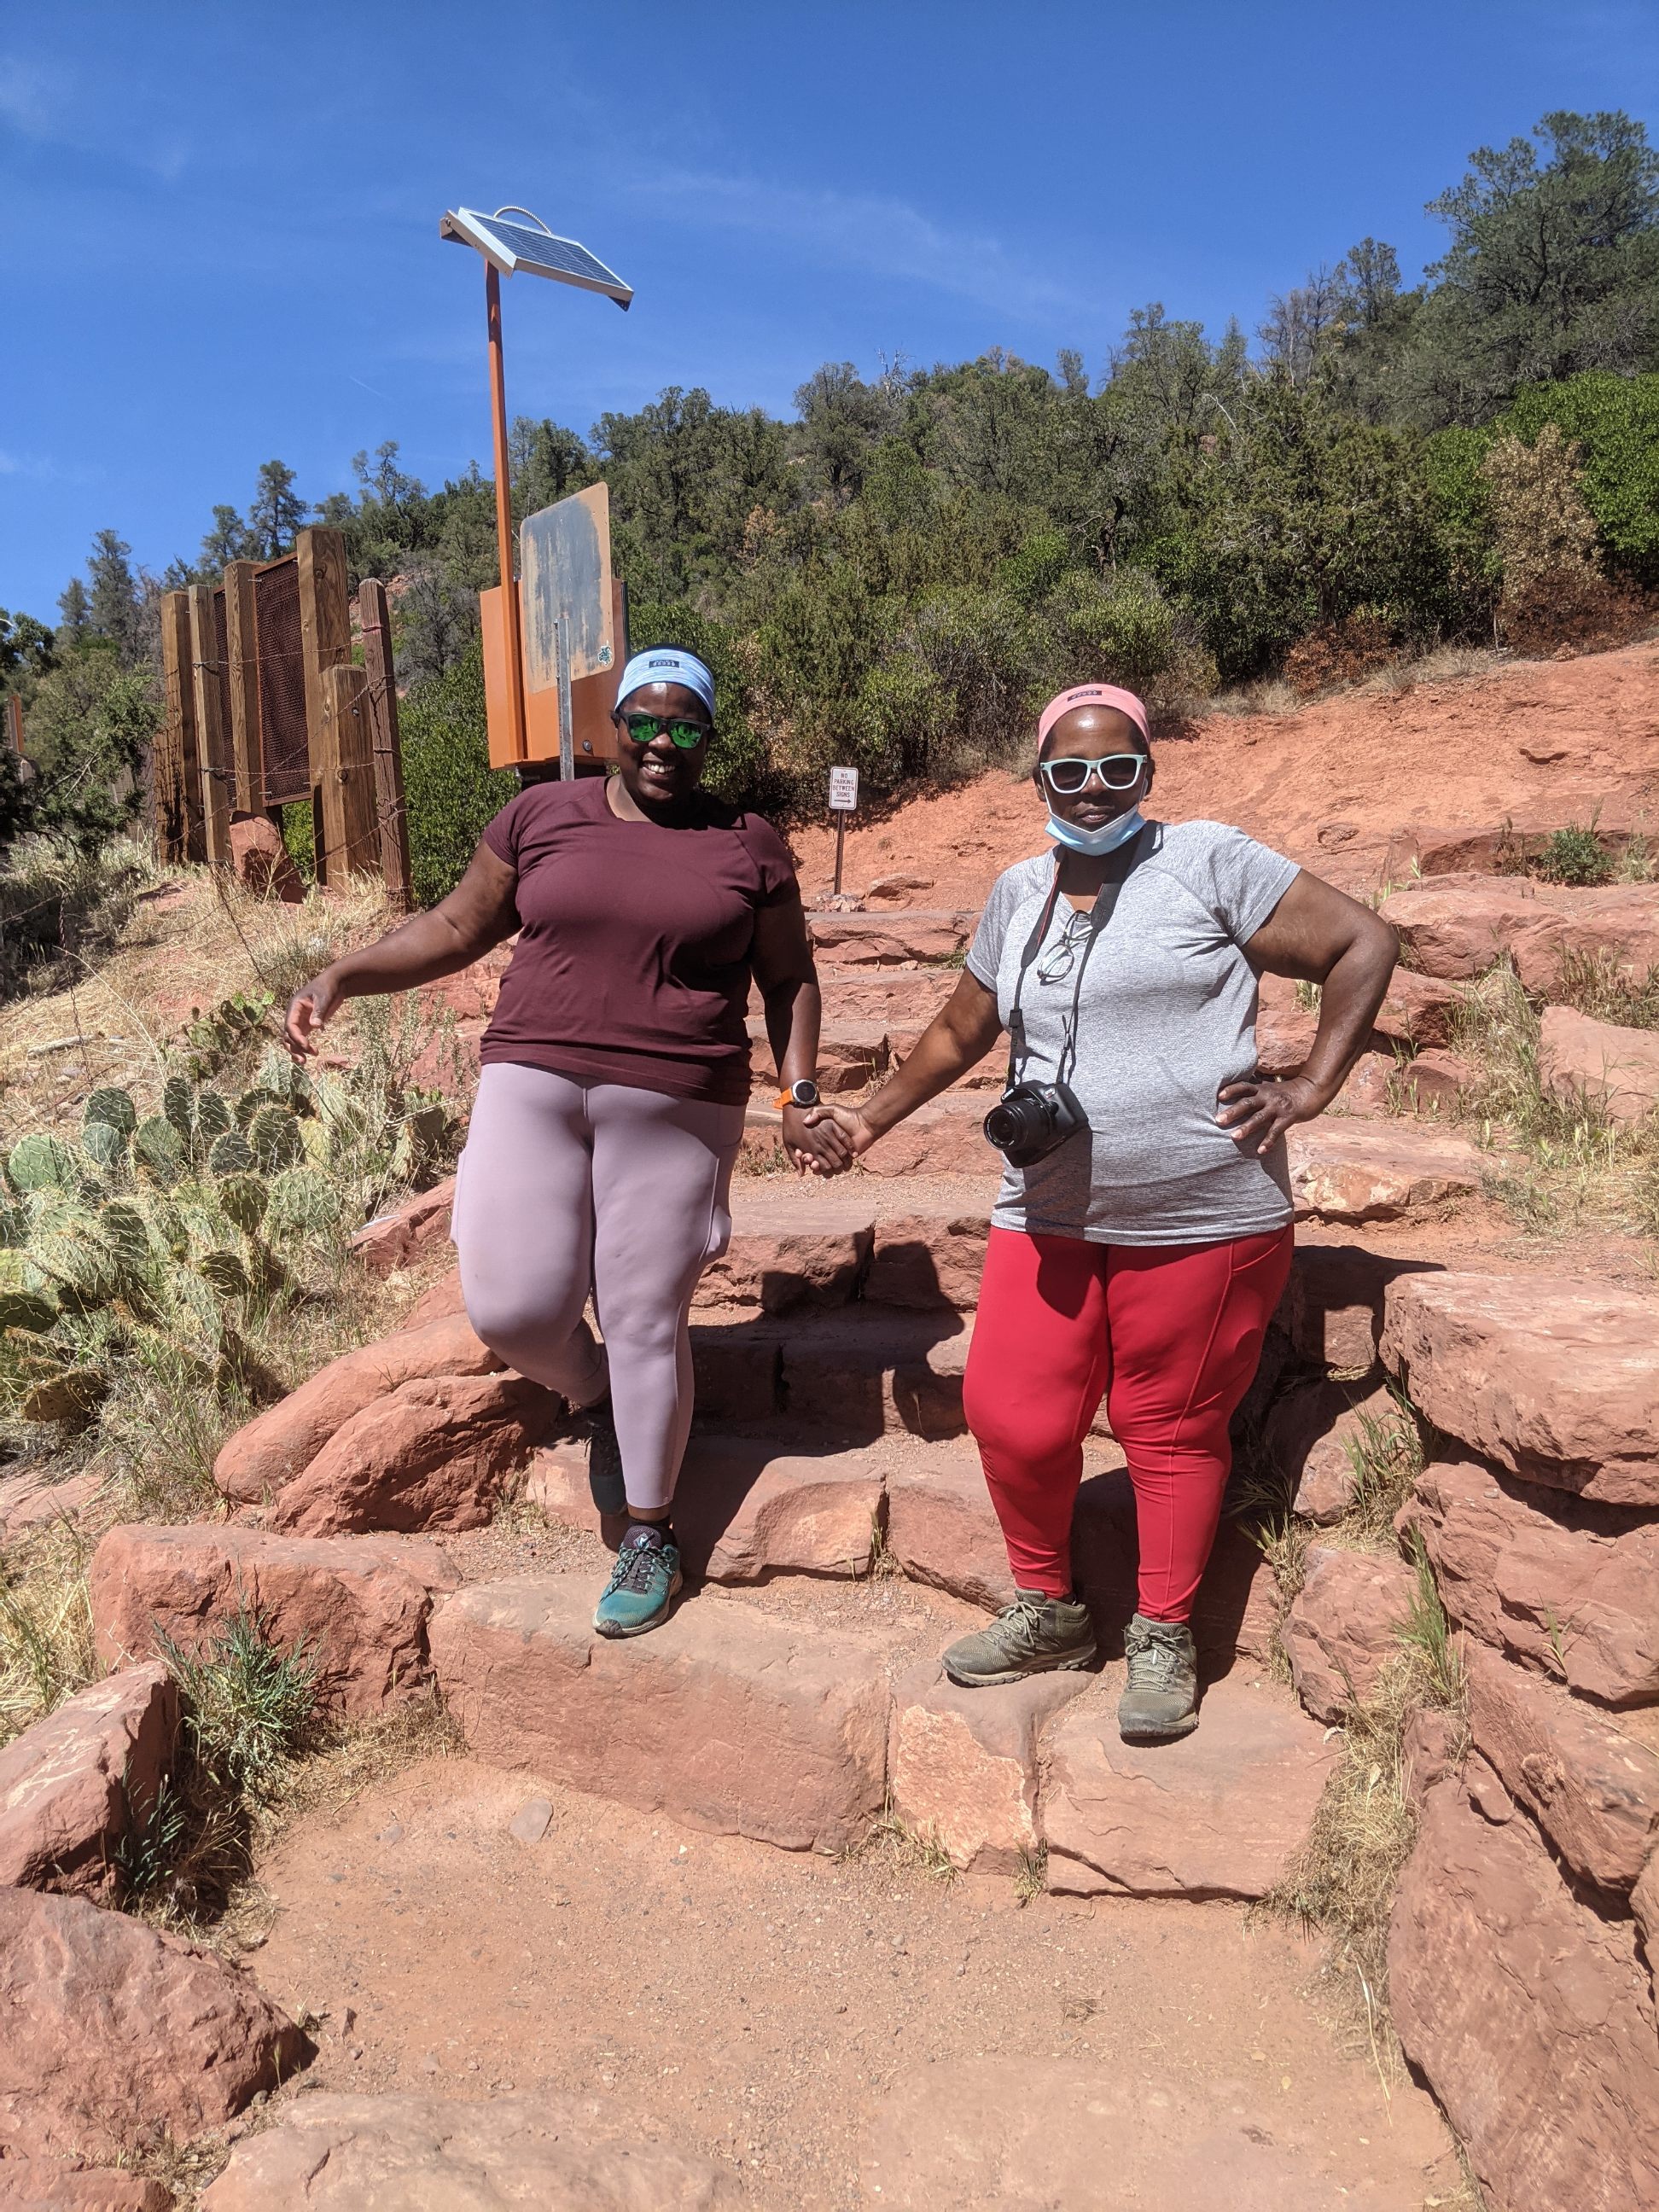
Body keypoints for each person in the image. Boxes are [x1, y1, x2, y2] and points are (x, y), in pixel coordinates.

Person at [806, 682, 1397, 1739]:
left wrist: (1310, 1084)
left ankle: (1165, 1633)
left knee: (1166, 1426)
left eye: (1116, 768)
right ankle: (1051, 1610)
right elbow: (961, 1027)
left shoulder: (1209, 860)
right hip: (1049, 1211)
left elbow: (1364, 942)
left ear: (1147, 773)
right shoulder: (1018, 891)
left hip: (1201, 1215)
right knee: (1010, 1413)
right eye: (1068, 771)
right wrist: (866, 1123)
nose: (1091, 790)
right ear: (1038, 779)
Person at [285, 646, 838, 1639]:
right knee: (512, 1307)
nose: (665, 744)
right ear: (613, 729)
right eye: (647, 723)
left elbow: (791, 978)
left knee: (641, 1313)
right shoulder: (542, 815)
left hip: (677, 1100)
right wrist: (343, 975)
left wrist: (798, 1092)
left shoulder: (748, 843)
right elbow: (457, 925)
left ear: (710, 738)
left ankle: (650, 1529)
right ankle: (597, 1400)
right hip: (530, 1081)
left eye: (688, 727)